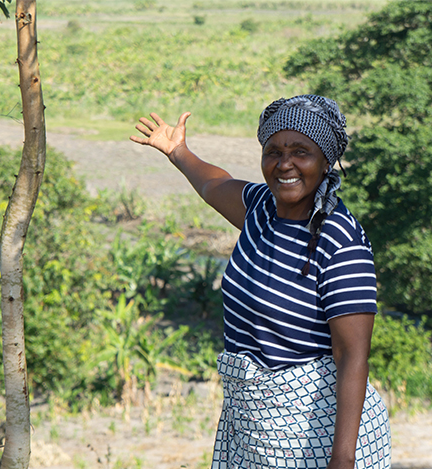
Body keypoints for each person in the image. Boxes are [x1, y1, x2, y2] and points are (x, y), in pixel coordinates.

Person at [130, 95, 391, 469]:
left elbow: (352, 356)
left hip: (317, 432)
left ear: (326, 161)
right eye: (273, 151)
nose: (285, 164)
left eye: (301, 151)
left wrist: (343, 459)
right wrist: (178, 152)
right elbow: (213, 183)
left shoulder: (339, 241)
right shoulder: (260, 209)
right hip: (253, 427)